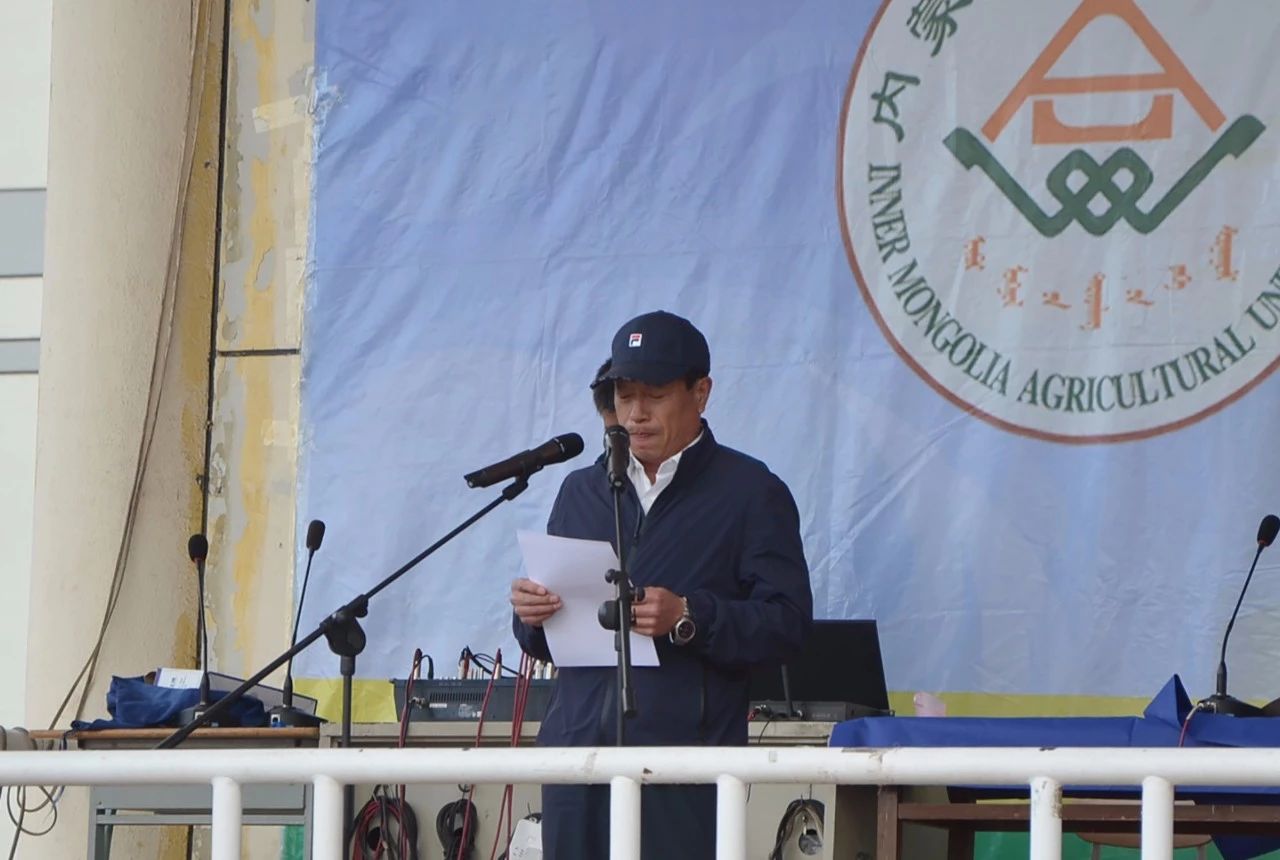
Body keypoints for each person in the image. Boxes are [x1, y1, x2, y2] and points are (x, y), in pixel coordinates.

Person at [510, 310, 813, 859]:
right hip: (578, 762)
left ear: (701, 393)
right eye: (624, 396)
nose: (636, 413)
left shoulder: (750, 491)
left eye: (654, 395)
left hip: (684, 768)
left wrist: (689, 617)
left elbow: (787, 624)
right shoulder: (581, 491)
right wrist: (531, 616)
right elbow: (546, 641)